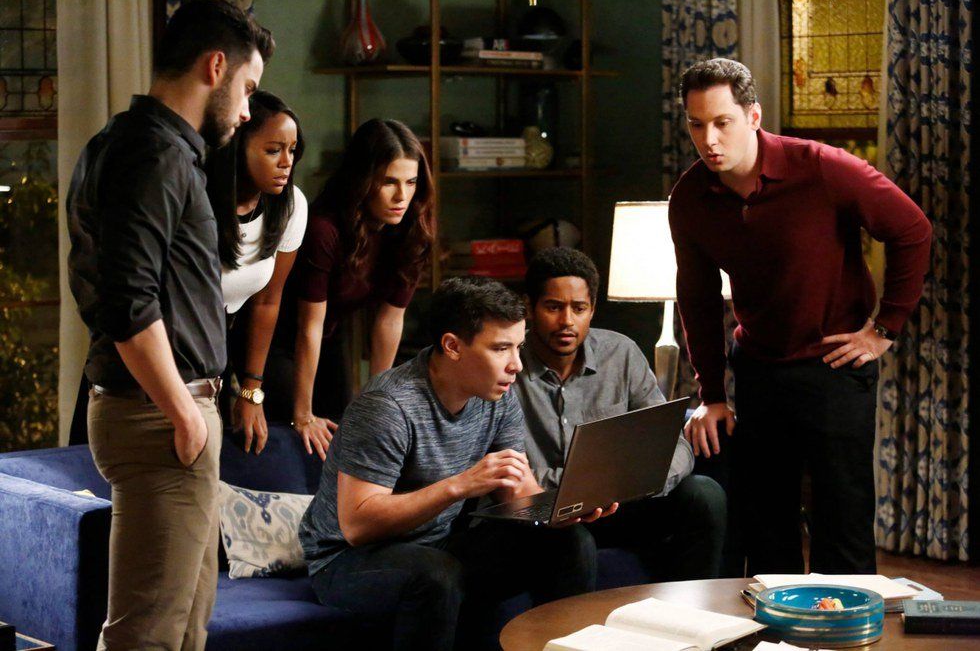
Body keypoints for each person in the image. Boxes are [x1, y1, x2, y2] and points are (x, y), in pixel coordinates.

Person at [669, 58, 932, 575]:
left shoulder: (821, 167)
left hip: (835, 366)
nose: (709, 139)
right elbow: (697, 299)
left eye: (722, 122)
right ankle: (776, 622)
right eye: (696, 124)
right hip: (758, 369)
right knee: (766, 527)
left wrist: (885, 328)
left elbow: (913, 230)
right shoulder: (690, 198)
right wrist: (712, 394)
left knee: (842, 523)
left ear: (753, 116)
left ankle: (848, 620)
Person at [65, 2, 272, 648]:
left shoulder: (138, 145)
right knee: (148, 635)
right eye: (247, 89)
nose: (247, 111)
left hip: (163, 411)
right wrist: (184, 414)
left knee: (183, 630)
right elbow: (128, 303)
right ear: (215, 67)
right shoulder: (153, 153)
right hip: (159, 414)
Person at [298, 277, 606, 651]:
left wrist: (561, 510)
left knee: (570, 542)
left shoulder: (498, 394)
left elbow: (518, 489)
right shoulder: (387, 406)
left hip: (439, 545)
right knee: (436, 575)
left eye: (519, 347)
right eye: (501, 349)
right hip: (346, 561)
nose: (516, 365)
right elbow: (357, 526)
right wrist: (459, 485)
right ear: (453, 346)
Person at [514, 247, 727, 580]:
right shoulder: (508, 367)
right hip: (551, 515)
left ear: (592, 310)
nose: (567, 321)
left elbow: (672, 442)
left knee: (705, 495)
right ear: (529, 308)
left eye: (578, 308)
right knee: (573, 540)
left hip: (622, 504)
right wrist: (584, 487)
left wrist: (642, 480)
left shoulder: (620, 353)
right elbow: (511, 475)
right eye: (553, 307)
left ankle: (692, 610)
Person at [265, 118, 435, 460]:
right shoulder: (324, 229)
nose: (402, 196)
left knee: (348, 432)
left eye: (411, 182)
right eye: (389, 182)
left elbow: (389, 320)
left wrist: (378, 404)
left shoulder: (411, 228)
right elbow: (308, 326)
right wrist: (303, 414)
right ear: (363, 180)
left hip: (328, 338)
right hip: (275, 342)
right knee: (302, 441)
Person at [206, 90, 307, 455]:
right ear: (238, 149)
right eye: (273, 150)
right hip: (177, 342)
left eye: (292, 150)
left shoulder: (291, 205)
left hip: (230, 335)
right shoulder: (199, 202)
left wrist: (251, 391)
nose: (286, 163)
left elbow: (268, 300)